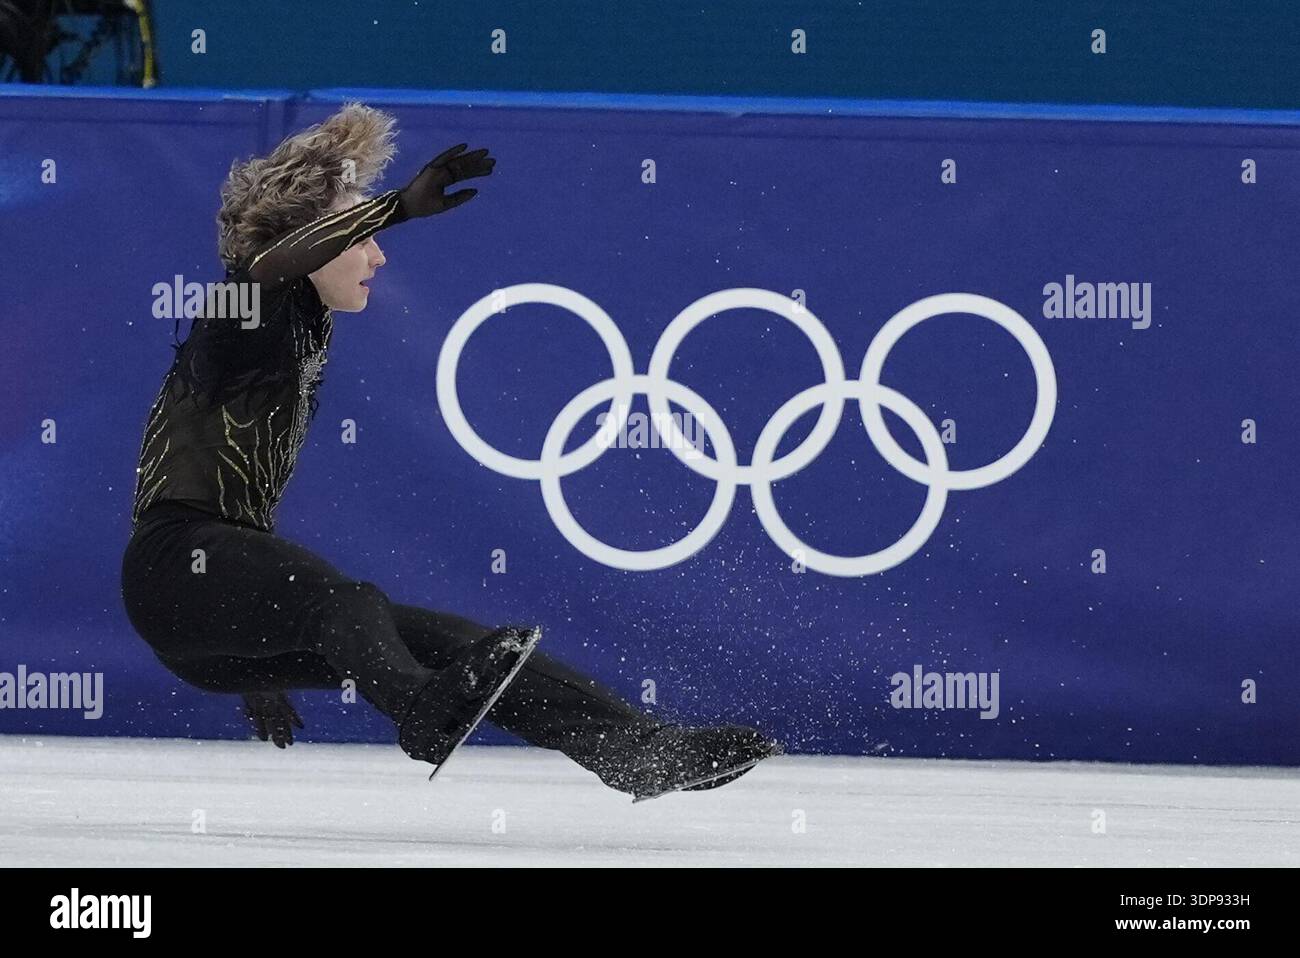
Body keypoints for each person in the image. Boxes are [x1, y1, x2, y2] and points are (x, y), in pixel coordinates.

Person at [119, 102, 782, 800]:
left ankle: (634, 750)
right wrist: (396, 206)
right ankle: (416, 709)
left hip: (207, 613)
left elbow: (240, 525)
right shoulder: (239, 313)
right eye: (360, 235)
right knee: (349, 603)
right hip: (170, 568)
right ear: (311, 239)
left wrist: (258, 648)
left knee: (446, 639)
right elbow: (263, 263)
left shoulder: (302, 326)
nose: (377, 253)